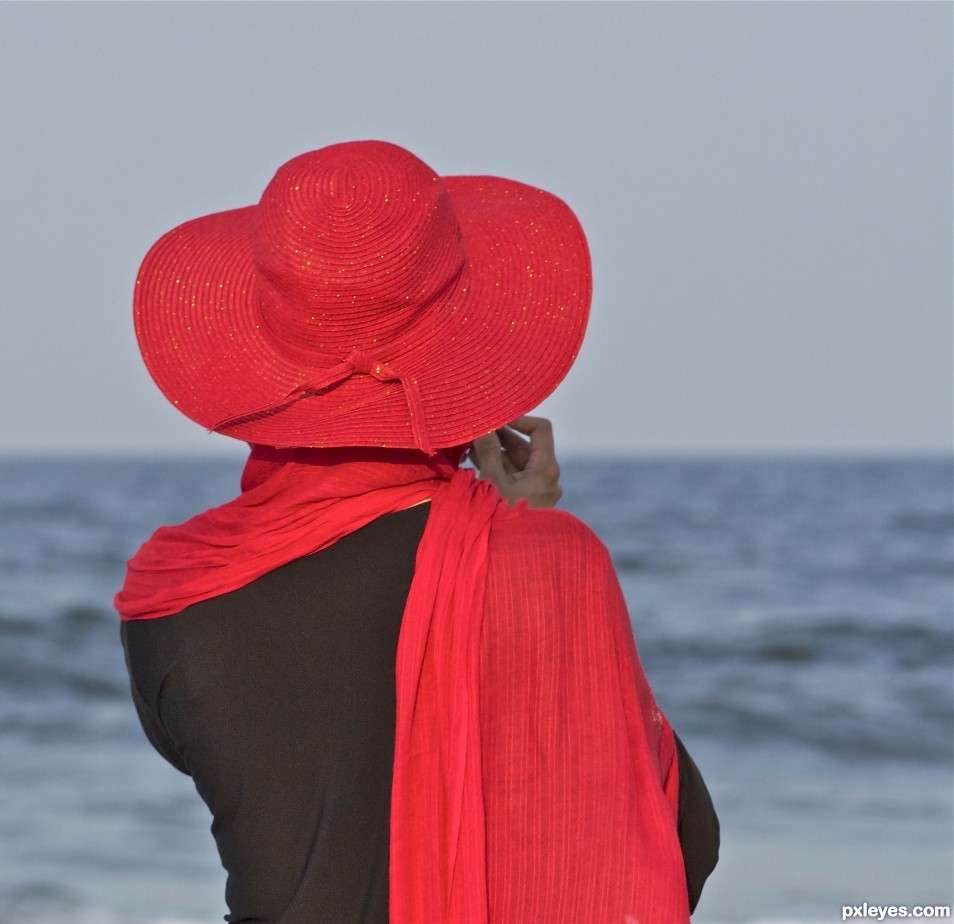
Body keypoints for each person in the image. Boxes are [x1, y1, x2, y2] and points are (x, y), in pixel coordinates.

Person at [116, 140, 718, 924]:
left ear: (263, 356)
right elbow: (681, 847)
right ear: (462, 354)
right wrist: (525, 528)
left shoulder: (175, 599)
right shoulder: (551, 563)